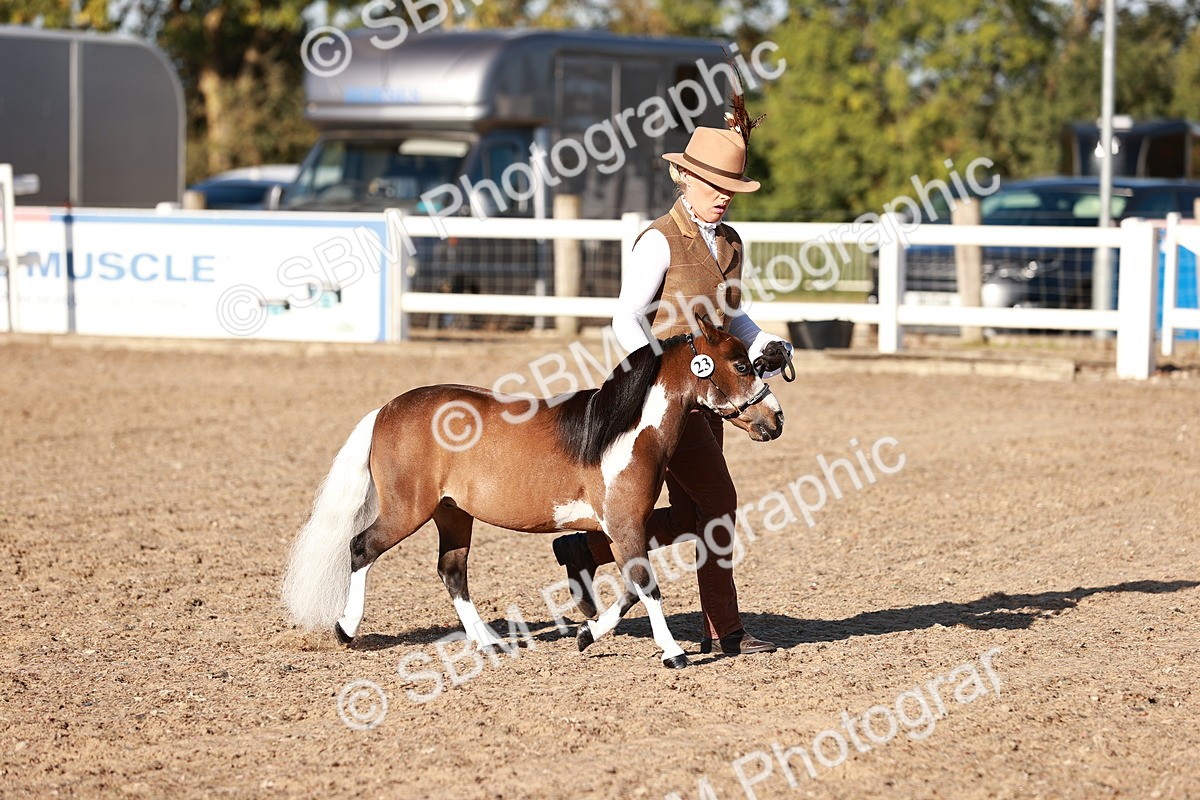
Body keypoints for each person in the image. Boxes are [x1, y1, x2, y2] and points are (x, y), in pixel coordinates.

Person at [551, 121, 792, 656]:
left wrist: (768, 344)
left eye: (731, 186)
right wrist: (652, 380)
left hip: (715, 400)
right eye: (713, 184)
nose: (724, 196)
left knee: (690, 515)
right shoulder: (659, 240)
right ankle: (725, 631)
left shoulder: (729, 243)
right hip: (668, 402)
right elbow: (625, 318)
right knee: (719, 499)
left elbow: (733, 317)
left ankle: (586, 550)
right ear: (683, 176)